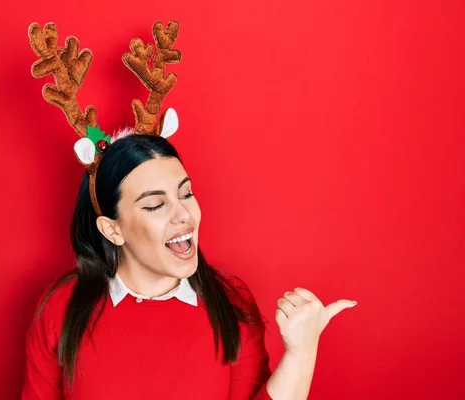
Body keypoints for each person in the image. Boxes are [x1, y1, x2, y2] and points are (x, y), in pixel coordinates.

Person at [22, 20, 357, 399]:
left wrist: (301, 351)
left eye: (186, 194)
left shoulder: (230, 301)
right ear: (112, 229)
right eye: (155, 204)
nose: (184, 215)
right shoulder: (62, 307)